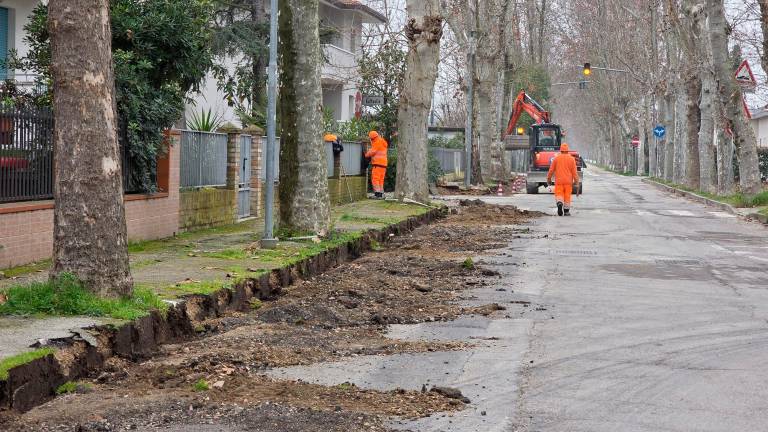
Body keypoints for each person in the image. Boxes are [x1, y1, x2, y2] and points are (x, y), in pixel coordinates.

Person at [547, 143, 580, 216]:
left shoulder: (556, 158)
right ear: (567, 150)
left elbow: (551, 170)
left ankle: (559, 203)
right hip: (568, 182)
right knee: (567, 196)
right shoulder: (572, 159)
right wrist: (576, 182)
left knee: (559, 194)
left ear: (560, 150)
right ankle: (566, 211)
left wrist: (548, 179)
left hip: (559, 181)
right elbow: (574, 172)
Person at [365, 130, 388, 199]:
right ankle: (381, 194)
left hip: (377, 164)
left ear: (372, 138)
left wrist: (366, 154)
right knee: (380, 180)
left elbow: (372, 152)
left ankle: (377, 194)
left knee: (375, 179)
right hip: (384, 164)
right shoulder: (382, 141)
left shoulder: (377, 142)